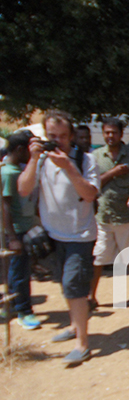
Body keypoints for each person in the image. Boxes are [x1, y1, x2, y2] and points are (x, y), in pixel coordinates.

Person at [18, 110, 99, 366]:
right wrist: (33, 159)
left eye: (63, 136)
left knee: (75, 286)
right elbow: (23, 188)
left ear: (72, 136)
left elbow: (89, 194)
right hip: (53, 235)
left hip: (80, 235)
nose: (58, 141)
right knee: (65, 285)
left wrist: (69, 167)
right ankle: (75, 326)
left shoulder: (85, 160)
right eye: (52, 136)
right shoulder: (40, 161)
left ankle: (82, 344)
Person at [89, 117, 129, 308]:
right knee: (98, 257)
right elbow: (92, 184)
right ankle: (91, 296)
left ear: (121, 134)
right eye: (106, 132)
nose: (110, 136)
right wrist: (113, 173)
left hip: (128, 217)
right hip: (104, 216)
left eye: (114, 132)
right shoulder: (95, 156)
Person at [1, 130, 40, 330]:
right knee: (19, 272)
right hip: (17, 231)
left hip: (25, 228)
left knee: (20, 270)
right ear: (19, 149)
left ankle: (13, 306)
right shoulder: (8, 173)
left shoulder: (18, 170)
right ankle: (23, 310)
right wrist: (12, 236)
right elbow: (5, 206)